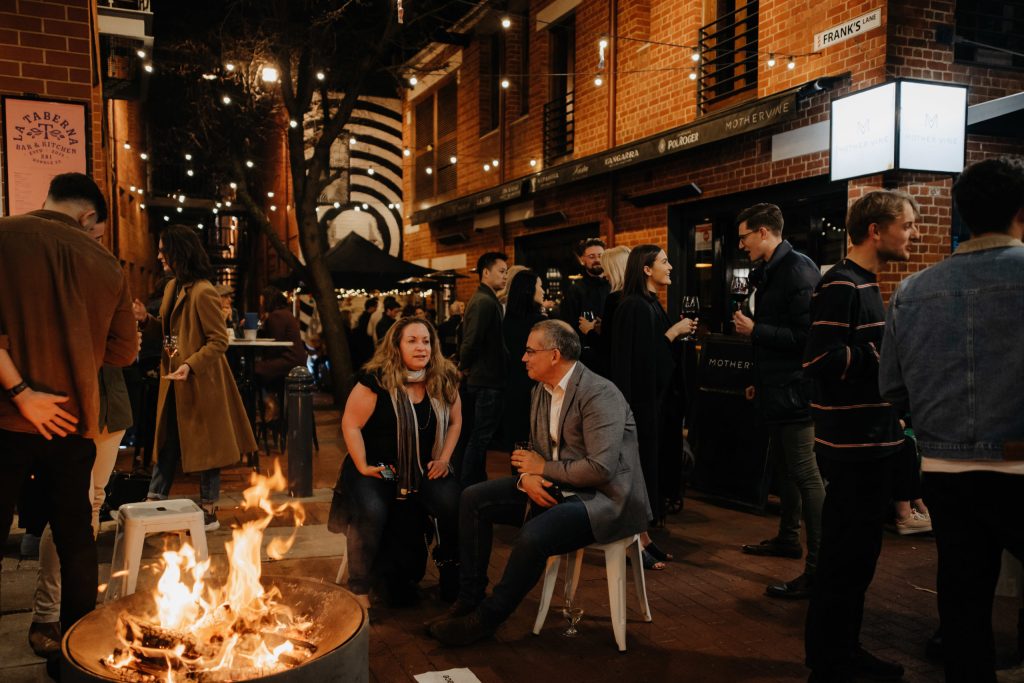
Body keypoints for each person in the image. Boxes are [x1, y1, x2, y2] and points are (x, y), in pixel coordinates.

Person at [879, 158, 1024, 683]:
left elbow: (891, 390)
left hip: (943, 466)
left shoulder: (911, 292)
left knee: (963, 601)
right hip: (1019, 461)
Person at [427, 320, 650, 646]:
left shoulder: (600, 394)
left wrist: (541, 468)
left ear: (555, 354)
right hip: (558, 487)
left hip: (603, 500)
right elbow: (535, 453)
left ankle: (487, 619)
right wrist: (530, 477)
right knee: (473, 498)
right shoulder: (540, 391)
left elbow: (601, 469)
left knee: (534, 535)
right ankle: (469, 598)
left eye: (531, 351)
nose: (523, 357)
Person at [0, 172, 136, 657]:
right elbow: (122, 353)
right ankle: (81, 660)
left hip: (6, 420)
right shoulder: (106, 265)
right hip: (72, 419)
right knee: (77, 538)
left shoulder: (4, 235)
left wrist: (20, 390)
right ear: (87, 217)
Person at [802, 190, 920, 682]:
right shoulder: (842, 286)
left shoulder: (863, 284)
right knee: (845, 561)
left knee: (857, 559)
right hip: (852, 450)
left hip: (870, 444)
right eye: (908, 225)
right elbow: (818, 360)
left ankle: (841, 653)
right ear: (877, 230)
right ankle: (833, 661)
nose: (913, 234)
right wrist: (884, 353)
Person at [336, 317, 463, 607]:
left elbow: (456, 422)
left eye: (426, 341)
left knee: (454, 504)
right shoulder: (376, 380)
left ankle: (451, 574)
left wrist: (444, 459)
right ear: (397, 346)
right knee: (371, 509)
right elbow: (351, 424)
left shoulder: (443, 378)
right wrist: (362, 465)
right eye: (412, 341)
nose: (421, 348)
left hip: (425, 467)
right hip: (377, 467)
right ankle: (359, 589)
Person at [732, 203, 825, 600]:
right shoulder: (769, 271)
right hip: (778, 388)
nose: (741, 244)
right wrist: (758, 380)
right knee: (786, 470)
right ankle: (789, 538)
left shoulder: (798, 270)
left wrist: (757, 330)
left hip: (797, 391)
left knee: (806, 474)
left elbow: (808, 338)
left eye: (745, 236)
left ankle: (820, 567)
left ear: (765, 232)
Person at [138, 225, 257, 530]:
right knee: (168, 441)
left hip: (203, 382)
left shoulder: (204, 291)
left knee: (208, 446)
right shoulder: (172, 286)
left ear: (179, 252)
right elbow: (171, 335)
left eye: (164, 249)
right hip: (177, 380)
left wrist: (189, 365)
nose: (159, 255)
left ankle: (207, 509)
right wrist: (146, 322)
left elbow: (218, 341)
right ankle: (155, 500)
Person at [610, 245, 695, 568]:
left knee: (647, 473)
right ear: (646, 269)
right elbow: (641, 363)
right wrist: (673, 333)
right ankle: (635, 542)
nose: (670, 266)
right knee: (638, 473)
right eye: (663, 262)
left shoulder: (649, 304)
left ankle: (644, 538)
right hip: (639, 406)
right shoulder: (633, 306)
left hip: (654, 405)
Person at [458, 252, 509, 487]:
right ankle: (468, 487)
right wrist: (463, 366)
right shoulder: (484, 301)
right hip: (486, 379)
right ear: (485, 272)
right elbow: (471, 340)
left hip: (485, 377)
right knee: (479, 438)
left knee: (478, 437)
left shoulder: (486, 299)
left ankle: (474, 484)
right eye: (501, 271)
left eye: (506, 272)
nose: (505, 276)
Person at [500, 270, 547, 449]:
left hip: (513, 387)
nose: (543, 290)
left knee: (518, 442)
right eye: (540, 286)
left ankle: (517, 477)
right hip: (536, 386)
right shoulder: (540, 324)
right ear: (529, 291)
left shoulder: (506, 322)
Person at [560, 237, 610, 375]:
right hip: (586, 356)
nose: (597, 260)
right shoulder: (575, 290)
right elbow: (569, 325)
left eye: (600, 256)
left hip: (609, 352)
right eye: (591, 256)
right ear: (583, 260)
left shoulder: (612, 285)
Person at [255, 286, 307, 388]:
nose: (261, 305)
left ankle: (266, 401)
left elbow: (275, 344)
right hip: (295, 359)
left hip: (289, 360)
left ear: (268, 300)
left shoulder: (277, 315)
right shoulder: (285, 313)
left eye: (262, 301)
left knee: (254, 369)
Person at [594, 245, 630, 374]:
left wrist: (589, 331)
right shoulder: (637, 296)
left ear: (615, 270)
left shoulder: (614, 299)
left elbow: (606, 345)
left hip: (616, 369)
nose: (604, 275)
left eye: (606, 269)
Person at [352, 297, 378, 368]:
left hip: (362, 345)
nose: (376, 309)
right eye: (376, 307)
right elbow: (368, 333)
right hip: (366, 345)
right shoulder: (368, 317)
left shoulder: (362, 316)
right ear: (371, 307)